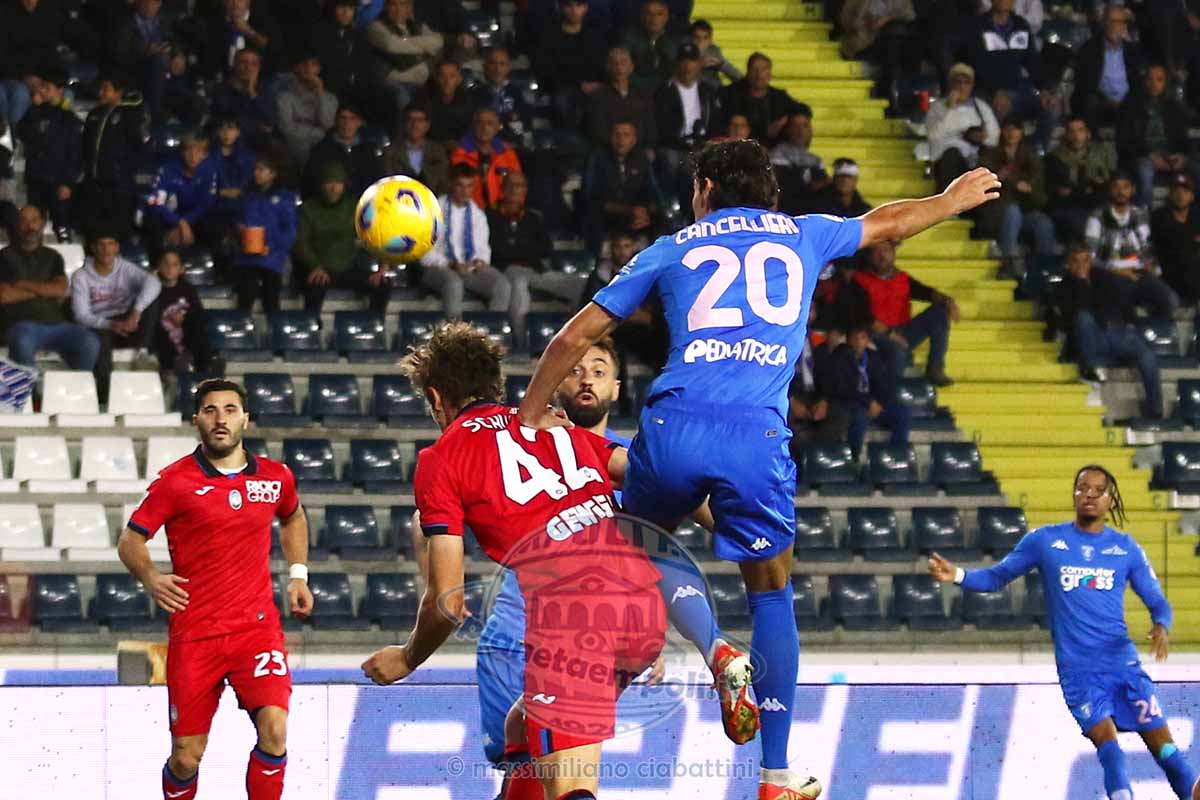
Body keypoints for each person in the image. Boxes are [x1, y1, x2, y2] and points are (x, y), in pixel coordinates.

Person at [515, 138, 1001, 800]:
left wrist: (528, 417)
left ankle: (699, 653)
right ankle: (775, 774)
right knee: (770, 592)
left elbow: (572, 336)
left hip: (674, 425)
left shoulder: (671, 247)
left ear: (707, 190)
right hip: (755, 436)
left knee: (635, 549)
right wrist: (949, 200)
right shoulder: (805, 234)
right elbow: (888, 223)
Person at [361, 324, 741, 800]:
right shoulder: (560, 429)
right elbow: (660, 480)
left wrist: (407, 657)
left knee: (571, 788)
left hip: (573, 620)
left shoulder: (442, 458)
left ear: (436, 398)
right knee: (521, 727)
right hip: (643, 615)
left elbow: (447, 602)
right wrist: (737, 530)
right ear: (495, 384)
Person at [928, 465, 1199, 800]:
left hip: (1123, 666)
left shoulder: (1126, 549)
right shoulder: (1045, 541)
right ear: (1073, 494)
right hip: (1079, 671)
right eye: (1082, 488)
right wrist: (958, 575)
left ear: (1110, 499)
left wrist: (1161, 625)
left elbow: (1158, 601)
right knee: (1109, 747)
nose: (1089, 495)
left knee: (1168, 753)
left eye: (1097, 490)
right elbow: (997, 577)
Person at [117, 378, 313, 800]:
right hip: (196, 635)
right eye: (210, 410)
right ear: (196, 420)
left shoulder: (275, 477)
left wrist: (298, 574)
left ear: (246, 419)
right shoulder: (176, 482)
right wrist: (151, 577)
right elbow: (131, 540)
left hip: (256, 631)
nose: (220, 418)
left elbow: (293, 516)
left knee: (275, 730)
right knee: (186, 758)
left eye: (229, 409)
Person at [1054, 243, 1162, 418]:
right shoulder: (1064, 288)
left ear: (1090, 261)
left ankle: (1155, 413)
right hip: (1094, 339)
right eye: (1076, 261)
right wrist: (1081, 281)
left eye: (1085, 260)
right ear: (1069, 264)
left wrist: (1131, 324)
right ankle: (1090, 369)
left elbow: (1123, 302)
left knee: (1148, 356)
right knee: (1083, 317)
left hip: (1119, 334)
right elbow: (1075, 315)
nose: (1082, 265)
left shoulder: (1104, 277)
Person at [488, 171, 585, 347]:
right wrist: (526, 248)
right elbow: (498, 251)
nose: (516, 190)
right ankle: (520, 343)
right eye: (512, 185)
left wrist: (516, 247)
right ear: (502, 189)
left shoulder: (533, 217)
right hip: (508, 270)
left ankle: (576, 341)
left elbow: (546, 248)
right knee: (518, 283)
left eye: (520, 186)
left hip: (536, 270)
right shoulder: (490, 216)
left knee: (581, 285)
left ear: (525, 190)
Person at [0, 205, 100, 371]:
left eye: (34, 221)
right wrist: (46, 290)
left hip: (57, 324)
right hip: (21, 325)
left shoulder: (53, 256)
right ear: (17, 225)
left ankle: (75, 386)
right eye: (24, 221)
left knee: (90, 342)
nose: (29, 226)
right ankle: (28, 387)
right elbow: (4, 295)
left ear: (42, 224)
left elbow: (61, 290)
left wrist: (22, 285)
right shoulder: (4, 256)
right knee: (23, 341)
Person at [70, 231, 163, 405]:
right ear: (93, 248)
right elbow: (81, 315)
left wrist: (136, 311)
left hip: (128, 322)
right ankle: (104, 398)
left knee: (152, 302)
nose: (106, 249)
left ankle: (144, 353)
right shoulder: (80, 276)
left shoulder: (126, 268)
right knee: (98, 340)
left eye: (110, 244)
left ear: (117, 248)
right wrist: (110, 324)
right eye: (101, 244)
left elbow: (154, 283)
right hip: (101, 324)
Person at [856, 239, 960, 387]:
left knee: (939, 314)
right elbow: (862, 315)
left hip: (903, 331)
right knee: (897, 350)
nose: (882, 255)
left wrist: (947, 301)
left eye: (886, 250)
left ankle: (935, 369)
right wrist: (890, 334)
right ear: (870, 255)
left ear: (893, 253)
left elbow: (926, 292)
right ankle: (893, 392)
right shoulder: (860, 280)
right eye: (877, 251)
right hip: (876, 335)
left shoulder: (902, 278)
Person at [294, 161, 390, 314]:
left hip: (348, 268)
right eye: (329, 183)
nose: (333, 188)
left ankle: (371, 324)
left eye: (338, 183)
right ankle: (312, 326)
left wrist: (382, 266)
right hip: (320, 268)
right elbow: (301, 243)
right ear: (321, 184)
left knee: (383, 284)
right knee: (315, 286)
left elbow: (375, 235)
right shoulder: (307, 209)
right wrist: (315, 266)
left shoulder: (354, 207)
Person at [418, 164, 511, 319]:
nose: (465, 191)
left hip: (468, 268)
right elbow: (424, 255)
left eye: (469, 186)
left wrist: (480, 261)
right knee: (454, 284)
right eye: (460, 185)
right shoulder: (434, 210)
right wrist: (451, 264)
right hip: (438, 267)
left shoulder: (477, 214)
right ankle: (455, 332)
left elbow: (483, 249)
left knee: (502, 285)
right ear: (451, 185)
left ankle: (491, 330)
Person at [1084, 171, 1178, 324]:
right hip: (1112, 274)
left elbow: (1147, 247)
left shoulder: (1140, 214)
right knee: (1124, 304)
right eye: (1116, 187)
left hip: (1139, 272)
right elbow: (1090, 257)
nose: (1121, 191)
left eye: (1125, 187)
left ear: (1132, 190)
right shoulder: (1097, 217)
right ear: (1109, 190)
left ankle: (1149, 331)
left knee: (1170, 301)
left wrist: (1153, 267)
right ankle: (1131, 330)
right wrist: (1118, 270)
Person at [978, 116, 1056, 277]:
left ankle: (1045, 270)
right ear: (1002, 131)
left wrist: (1030, 189)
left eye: (1016, 129)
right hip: (996, 211)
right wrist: (1005, 180)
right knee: (1012, 212)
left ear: (1022, 132)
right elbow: (983, 185)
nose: (1012, 133)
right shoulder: (989, 154)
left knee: (1043, 222)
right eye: (1008, 129)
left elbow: (1040, 192)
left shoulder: (1031, 156)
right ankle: (1009, 262)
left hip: (1024, 209)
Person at [78, 72, 149, 243]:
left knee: (119, 234)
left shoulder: (131, 115)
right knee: (92, 235)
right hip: (94, 185)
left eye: (106, 89)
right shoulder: (95, 114)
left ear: (119, 92)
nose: (101, 92)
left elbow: (142, 147)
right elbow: (84, 145)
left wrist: (122, 170)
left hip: (119, 187)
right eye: (100, 88)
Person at [1118, 64, 1197, 207]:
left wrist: (1182, 156)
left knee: (1196, 169)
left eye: (1159, 80)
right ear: (1144, 81)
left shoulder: (1174, 107)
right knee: (1145, 173)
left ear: (1165, 83)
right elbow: (1124, 141)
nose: (1154, 84)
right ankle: (1145, 216)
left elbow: (1183, 139)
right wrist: (1150, 155)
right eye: (1150, 79)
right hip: (1143, 156)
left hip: (1170, 157)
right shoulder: (1130, 106)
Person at [828, 323, 912, 458]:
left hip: (873, 403)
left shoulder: (874, 357)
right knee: (859, 416)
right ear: (848, 340)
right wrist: (869, 402)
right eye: (854, 338)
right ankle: (854, 458)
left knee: (902, 412)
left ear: (867, 340)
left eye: (862, 337)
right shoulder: (840, 357)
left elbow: (884, 385)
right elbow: (844, 389)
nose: (858, 341)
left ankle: (896, 455)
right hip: (852, 403)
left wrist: (879, 403)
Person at [17, 68, 82, 239]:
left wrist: (68, 182)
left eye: (47, 87)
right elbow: (23, 133)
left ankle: (65, 244)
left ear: (60, 90)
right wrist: (34, 108)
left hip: (57, 181)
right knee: (33, 223)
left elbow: (75, 154)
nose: (42, 91)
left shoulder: (68, 118)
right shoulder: (35, 113)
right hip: (35, 178)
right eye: (41, 87)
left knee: (61, 224)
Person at [581, 120, 663, 254]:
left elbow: (653, 191)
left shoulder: (642, 159)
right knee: (593, 219)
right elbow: (591, 196)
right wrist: (629, 210)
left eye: (626, 135)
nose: (621, 140)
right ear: (610, 137)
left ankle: (657, 261)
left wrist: (646, 212)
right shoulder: (598, 159)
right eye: (617, 135)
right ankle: (594, 261)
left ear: (634, 140)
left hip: (635, 213)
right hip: (608, 213)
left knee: (661, 220)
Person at [234, 155, 298, 314]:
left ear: (272, 173)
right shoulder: (248, 197)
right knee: (245, 298)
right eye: (255, 169)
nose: (256, 173)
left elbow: (290, 231)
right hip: (247, 257)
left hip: (272, 258)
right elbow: (238, 219)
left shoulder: (285, 198)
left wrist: (272, 246)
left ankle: (274, 328)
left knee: (271, 300)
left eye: (261, 169)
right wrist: (239, 229)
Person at [534, 0, 608, 128]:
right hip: (562, 88)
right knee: (563, 101)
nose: (574, 11)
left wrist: (598, 84)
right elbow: (547, 72)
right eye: (569, 5)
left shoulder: (595, 37)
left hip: (594, 87)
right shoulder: (550, 37)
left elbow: (602, 67)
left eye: (578, 5)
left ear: (585, 8)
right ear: (561, 8)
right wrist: (579, 85)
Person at [926, 63, 999, 192]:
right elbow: (933, 135)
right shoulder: (938, 107)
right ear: (951, 84)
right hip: (947, 158)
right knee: (952, 157)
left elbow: (994, 137)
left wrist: (981, 137)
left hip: (974, 157)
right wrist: (950, 109)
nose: (962, 87)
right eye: (958, 82)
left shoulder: (980, 106)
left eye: (966, 83)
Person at [143, 132, 219, 252]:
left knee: (214, 221)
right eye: (188, 150)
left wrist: (185, 223)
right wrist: (179, 222)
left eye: (198, 151)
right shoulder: (168, 170)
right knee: (151, 218)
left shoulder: (209, 171)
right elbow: (155, 201)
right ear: (182, 152)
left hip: (193, 218)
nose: (193, 156)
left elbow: (206, 204)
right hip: (168, 217)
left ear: (205, 155)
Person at [1046, 115, 1117, 242]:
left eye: (1080, 130)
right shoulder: (1055, 158)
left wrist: (1086, 189)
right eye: (1072, 131)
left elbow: (1107, 185)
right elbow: (1062, 193)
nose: (1076, 136)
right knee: (1086, 223)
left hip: (1096, 204)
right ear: (1066, 135)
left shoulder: (1100, 155)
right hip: (1068, 209)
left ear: (1088, 134)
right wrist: (1089, 188)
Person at [1072, 5, 1144, 128]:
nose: (1114, 26)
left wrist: (1127, 100)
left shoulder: (1132, 51)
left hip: (1127, 102)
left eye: (1118, 22)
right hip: (1100, 101)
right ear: (1104, 23)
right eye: (1111, 21)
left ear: (1124, 25)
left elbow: (1137, 81)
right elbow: (1084, 84)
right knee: (1089, 101)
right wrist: (1108, 101)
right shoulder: (1089, 49)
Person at [153, 248, 220, 377]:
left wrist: (184, 317)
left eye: (174, 264)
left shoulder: (188, 289)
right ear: (159, 267)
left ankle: (204, 366)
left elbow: (199, 313)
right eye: (166, 264)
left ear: (181, 269)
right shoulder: (153, 289)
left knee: (198, 323)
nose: (170, 268)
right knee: (157, 330)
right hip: (164, 335)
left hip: (186, 336)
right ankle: (178, 364)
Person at [366, 0, 444, 110]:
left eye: (403, 4)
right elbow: (392, 45)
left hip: (423, 83)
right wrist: (425, 48)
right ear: (386, 7)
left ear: (410, 8)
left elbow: (438, 42)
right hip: (394, 83)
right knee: (403, 99)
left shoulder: (419, 26)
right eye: (393, 5)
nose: (398, 10)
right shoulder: (375, 27)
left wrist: (404, 42)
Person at [838, 0, 916, 108]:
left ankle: (889, 94)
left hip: (890, 44)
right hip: (864, 44)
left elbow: (910, 15)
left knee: (893, 43)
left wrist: (887, 19)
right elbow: (845, 21)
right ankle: (887, 96)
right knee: (891, 49)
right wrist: (865, 23)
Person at [719, 53, 807, 146]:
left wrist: (783, 121)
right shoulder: (730, 94)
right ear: (748, 72)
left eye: (763, 70)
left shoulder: (779, 97)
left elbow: (803, 109)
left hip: (774, 148)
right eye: (754, 69)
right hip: (739, 145)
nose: (758, 74)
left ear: (769, 74)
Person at [584, 46, 658, 150]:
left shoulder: (643, 96)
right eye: (614, 64)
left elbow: (650, 128)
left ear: (631, 67)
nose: (619, 68)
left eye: (623, 63)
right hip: (608, 151)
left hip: (638, 150)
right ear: (608, 68)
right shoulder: (598, 97)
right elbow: (597, 131)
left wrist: (646, 147)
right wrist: (620, 143)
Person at [302, 102, 381, 199]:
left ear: (359, 122)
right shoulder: (321, 150)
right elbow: (310, 184)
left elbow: (377, 181)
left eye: (352, 119)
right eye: (343, 118)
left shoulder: (368, 150)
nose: (346, 123)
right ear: (336, 121)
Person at [450, 108, 523, 211]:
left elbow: (518, 186)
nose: (484, 128)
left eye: (490, 123)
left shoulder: (507, 154)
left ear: (498, 127)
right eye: (480, 123)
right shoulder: (459, 153)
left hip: (501, 211)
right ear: (473, 125)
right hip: (468, 211)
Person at [276, 51, 338, 167]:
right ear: (296, 67)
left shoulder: (330, 98)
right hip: (293, 147)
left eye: (313, 64)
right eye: (304, 63)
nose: (308, 68)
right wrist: (318, 133)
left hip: (321, 148)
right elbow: (286, 128)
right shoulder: (284, 97)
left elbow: (328, 125)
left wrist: (320, 94)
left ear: (319, 69)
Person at [209, 47, 278, 151]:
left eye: (253, 64)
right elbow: (228, 121)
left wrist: (252, 93)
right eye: (243, 62)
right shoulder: (222, 89)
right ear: (235, 65)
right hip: (229, 142)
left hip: (258, 143)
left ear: (259, 68)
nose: (248, 68)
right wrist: (257, 126)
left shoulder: (265, 89)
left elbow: (270, 121)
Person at [381, 104, 450, 196]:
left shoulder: (438, 151)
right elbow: (387, 182)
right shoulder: (390, 151)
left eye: (419, 120)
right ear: (404, 124)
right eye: (410, 119)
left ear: (427, 125)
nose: (414, 124)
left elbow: (443, 182)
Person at [1151, 172, 1200, 303]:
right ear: (1169, 194)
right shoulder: (1159, 217)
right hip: (1170, 271)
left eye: (1185, 191)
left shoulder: (1196, 215)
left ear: (1192, 196)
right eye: (1176, 191)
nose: (1180, 195)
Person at [471, 46, 532, 145]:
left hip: (511, 144)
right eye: (493, 63)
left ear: (508, 68)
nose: (497, 69)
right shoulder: (475, 94)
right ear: (484, 67)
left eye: (502, 64)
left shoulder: (517, 93)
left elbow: (525, 123)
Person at [770, 111, 826, 215]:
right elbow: (785, 185)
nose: (800, 130)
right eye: (795, 125)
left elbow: (822, 186)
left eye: (805, 126)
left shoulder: (816, 160)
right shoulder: (776, 155)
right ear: (787, 129)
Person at [622, 0, 682, 91]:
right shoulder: (629, 38)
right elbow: (622, 69)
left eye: (659, 14)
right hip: (636, 90)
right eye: (648, 14)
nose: (653, 19)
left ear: (666, 17)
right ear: (642, 16)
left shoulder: (676, 42)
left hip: (668, 91)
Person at [415, 59, 475, 145]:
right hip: (431, 145)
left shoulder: (468, 99)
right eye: (442, 76)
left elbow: (469, 128)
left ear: (459, 79)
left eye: (452, 76)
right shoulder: (423, 99)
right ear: (436, 78)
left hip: (460, 145)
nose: (447, 82)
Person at [690, 18, 741, 91]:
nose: (700, 41)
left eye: (705, 38)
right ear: (690, 39)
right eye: (696, 37)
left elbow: (740, 79)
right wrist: (698, 65)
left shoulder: (713, 51)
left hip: (716, 92)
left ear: (710, 40)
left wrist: (722, 65)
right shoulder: (684, 54)